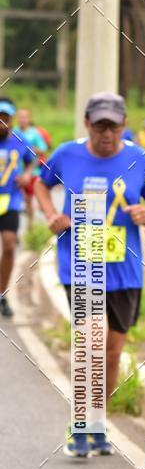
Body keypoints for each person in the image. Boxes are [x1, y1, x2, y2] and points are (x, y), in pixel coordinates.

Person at [35, 92, 145, 458]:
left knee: (111, 351)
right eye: (100, 125)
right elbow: (41, 186)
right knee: (90, 340)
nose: (107, 134)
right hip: (79, 263)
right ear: (88, 124)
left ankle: (96, 420)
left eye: (114, 126)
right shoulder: (67, 154)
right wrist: (51, 216)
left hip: (124, 271)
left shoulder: (140, 159)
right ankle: (79, 423)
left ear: (124, 127)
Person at [0, 99, 35, 317]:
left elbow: (32, 160)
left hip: (10, 200)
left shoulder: (19, 141)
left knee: (10, 245)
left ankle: (2, 295)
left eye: (6, 118)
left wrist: (27, 174)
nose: (2, 123)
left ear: (11, 120)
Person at [15, 107, 49, 229]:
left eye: (25, 117)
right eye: (20, 117)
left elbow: (43, 149)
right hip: (17, 172)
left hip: (33, 172)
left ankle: (33, 226)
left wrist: (29, 148)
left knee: (33, 200)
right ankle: (18, 227)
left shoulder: (34, 133)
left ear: (29, 119)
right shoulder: (14, 132)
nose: (22, 120)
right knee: (21, 200)